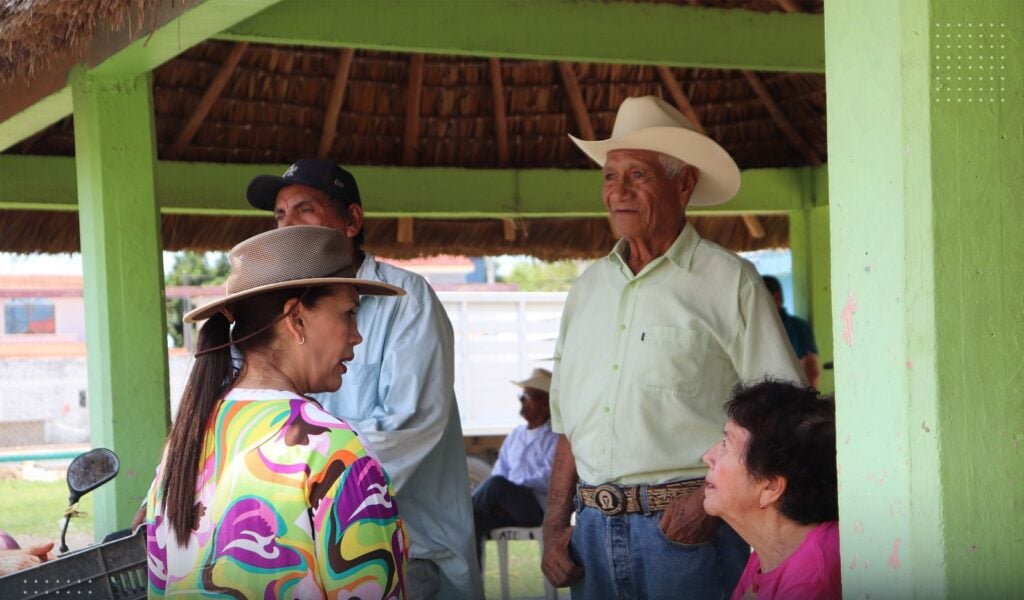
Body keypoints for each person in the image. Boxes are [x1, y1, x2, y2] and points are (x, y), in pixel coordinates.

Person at [542, 95, 806, 599]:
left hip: (686, 536)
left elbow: (782, 414)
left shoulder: (729, 281)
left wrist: (706, 507)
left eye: (638, 175)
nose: (618, 191)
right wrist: (555, 524)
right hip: (590, 535)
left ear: (682, 182)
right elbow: (567, 425)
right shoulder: (587, 290)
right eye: (610, 176)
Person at [247, 160, 481, 599]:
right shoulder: (278, 309)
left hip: (407, 544)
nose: (287, 227)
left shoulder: (407, 301)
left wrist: (287, 488)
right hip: (312, 544)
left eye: (305, 210)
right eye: (280, 216)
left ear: (352, 220)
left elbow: (407, 426)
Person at [144, 226, 407, 598]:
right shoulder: (334, 450)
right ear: (297, 318)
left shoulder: (184, 444)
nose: (356, 334)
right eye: (349, 313)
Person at [702, 380, 840, 599]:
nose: (708, 456)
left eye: (726, 445)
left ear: (770, 487)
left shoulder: (810, 584)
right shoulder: (771, 553)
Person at [471, 368, 559, 564]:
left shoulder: (556, 436)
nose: (521, 400)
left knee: (496, 485)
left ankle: (462, 512)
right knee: (472, 525)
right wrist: (505, 494)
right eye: (521, 395)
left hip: (537, 509)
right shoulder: (516, 435)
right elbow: (500, 470)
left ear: (545, 403)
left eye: (527, 396)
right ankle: (472, 589)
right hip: (509, 507)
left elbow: (549, 478)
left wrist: (510, 488)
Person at [762, 275, 821, 388]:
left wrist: (804, 404)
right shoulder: (762, 330)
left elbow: (811, 372)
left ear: (777, 298)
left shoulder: (796, 327)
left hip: (791, 401)